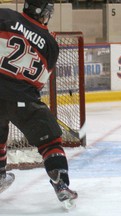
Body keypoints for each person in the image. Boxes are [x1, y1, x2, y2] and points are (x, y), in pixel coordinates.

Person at [0, 0, 77, 209]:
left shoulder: (4, 15)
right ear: (42, 12)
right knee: (50, 141)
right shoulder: (50, 43)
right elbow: (39, 82)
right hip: (23, 98)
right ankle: (61, 185)